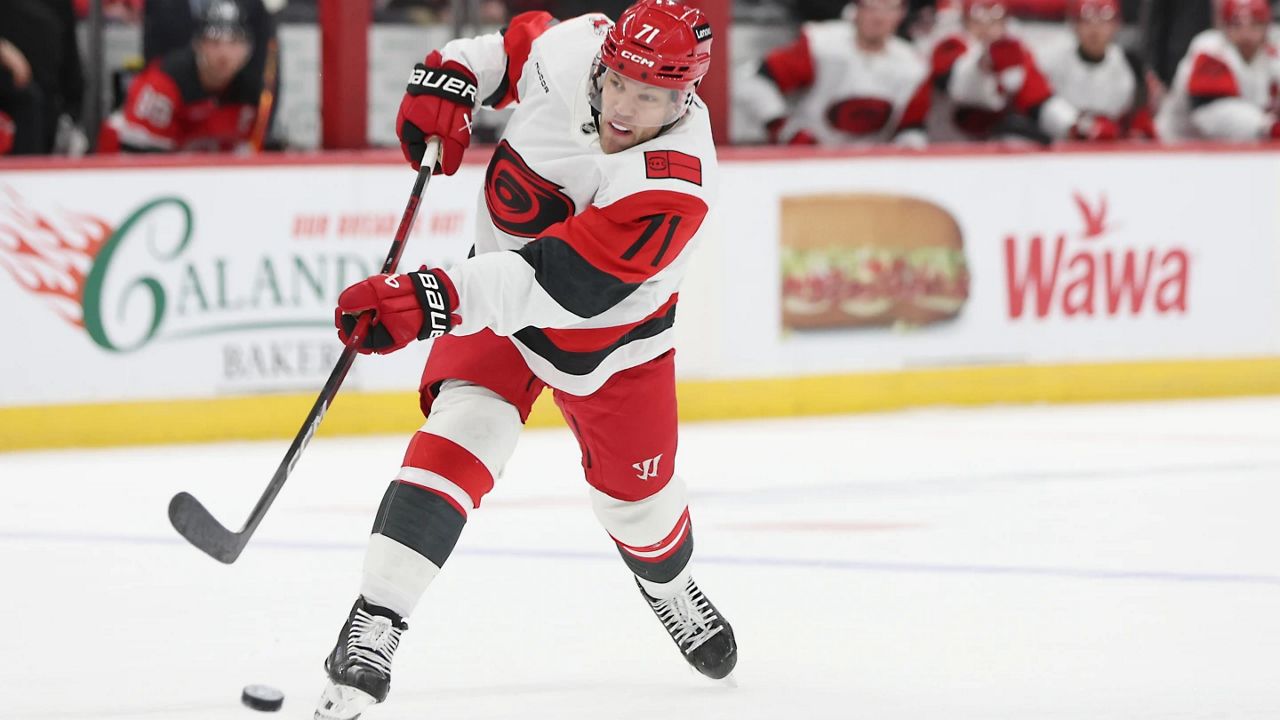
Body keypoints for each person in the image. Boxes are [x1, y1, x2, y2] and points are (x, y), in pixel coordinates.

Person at [312, 2, 736, 718]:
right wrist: (452, 77)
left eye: (650, 97)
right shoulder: (572, 49)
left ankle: (668, 587)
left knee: (641, 513)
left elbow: (558, 283)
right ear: (604, 63)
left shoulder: (676, 183)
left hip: (611, 339)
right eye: (620, 82)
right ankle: (376, 617)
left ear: (684, 99)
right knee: (465, 430)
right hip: (494, 300)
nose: (624, 108)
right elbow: (504, 54)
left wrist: (432, 297)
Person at [737, 0, 933, 147]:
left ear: (902, 13)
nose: (879, 17)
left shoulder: (913, 65)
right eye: (871, 7)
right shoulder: (822, 44)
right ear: (856, 9)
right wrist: (784, 129)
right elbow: (753, 80)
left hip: (872, 168)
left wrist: (906, 153)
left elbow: (912, 127)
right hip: (808, 158)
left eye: (889, 8)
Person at [97, 0, 258, 152]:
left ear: (248, 49)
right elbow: (139, 157)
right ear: (198, 45)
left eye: (234, 42)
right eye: (214, 42)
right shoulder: (162, 85)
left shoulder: (252, 91)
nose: (224, 54)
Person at [926, 0, 1086, 143]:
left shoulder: (1014, 51)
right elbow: (951, 84)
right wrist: (982, 66)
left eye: (994, 21)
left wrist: (1073, 126)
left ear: (1004, 23)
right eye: (978, 21)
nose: (986, 28)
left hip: (990, 144)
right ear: (965, 22)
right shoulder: (950, 46)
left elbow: (1038, 98)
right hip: (943, 146)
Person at [1155, 0, 1280, 142]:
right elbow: (1210, 112)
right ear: (1225, 26)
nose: (1246, 34)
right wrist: (1266, 126)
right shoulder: (1209, 49)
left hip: (1238, 144)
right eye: (1237, 25)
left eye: (1256, 24)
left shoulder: (1273, 50)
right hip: (1178, 143)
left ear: (1267, 26)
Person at [1039, 0, 1155, 140]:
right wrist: (1075, 126)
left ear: (1116, 25)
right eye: (1087, 21)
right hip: (1062, 143)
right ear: (1074, 25)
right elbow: (1040, 107)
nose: (1095, 30)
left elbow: (1140, 120)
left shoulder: (1131, 66)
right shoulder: (1052, 62)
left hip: (1113, 145)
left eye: (1104, 21)